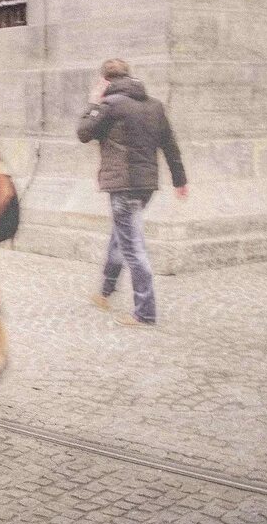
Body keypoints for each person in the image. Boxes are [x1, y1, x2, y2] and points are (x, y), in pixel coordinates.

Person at [77, 58, 187, 327]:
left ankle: (145, 312)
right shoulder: (155, 106)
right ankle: (105, 292)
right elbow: (170, 146)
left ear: (105, 80)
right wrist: (179, 180)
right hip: (146, 185)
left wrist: (93, 101)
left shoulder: (110, 105)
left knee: (133, 247)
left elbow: (83, 133)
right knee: (121, 236)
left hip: (123, 185)